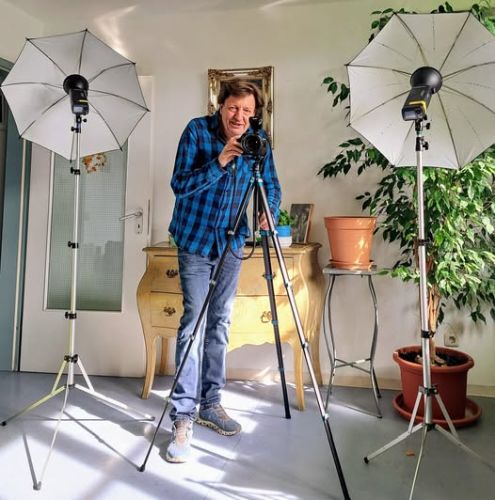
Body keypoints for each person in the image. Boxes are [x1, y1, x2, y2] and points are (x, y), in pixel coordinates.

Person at [166, 79, 281, 463]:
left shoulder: (258, 142)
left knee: (220, 323)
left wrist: (268, 211)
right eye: (234, 108)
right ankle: (182, 416)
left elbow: (272, 186)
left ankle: (211, 404)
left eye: (247, 111)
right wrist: (219, 162)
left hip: (232, 245)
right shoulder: (197, 131)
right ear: (220, 105)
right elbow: (179, 184)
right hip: (195, 241)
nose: (239, 116)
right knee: (193, 325)